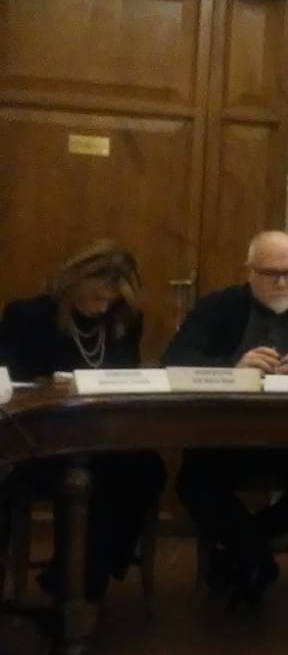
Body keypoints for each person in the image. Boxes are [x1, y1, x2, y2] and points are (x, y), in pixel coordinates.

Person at [164, 230, 288, 607]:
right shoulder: (219, 306)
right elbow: (175, 360)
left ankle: (245, 550)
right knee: (193, 482)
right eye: (272, 274)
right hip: (229, 441)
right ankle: (253, 554)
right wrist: (233, 369)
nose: (283, 283)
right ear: (250, 272)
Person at [0, 241, 166, 604]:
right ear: (73, 283)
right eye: (96, 297)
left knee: (147, 470)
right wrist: (49, 386)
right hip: (40, 439)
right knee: (83, 477)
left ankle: (79, 577)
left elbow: (124, 372)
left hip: (101, 436)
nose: (102, 307)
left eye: (111, 300)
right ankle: (80, 584)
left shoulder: (124, 319)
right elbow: (7, 380)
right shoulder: (29, 316)